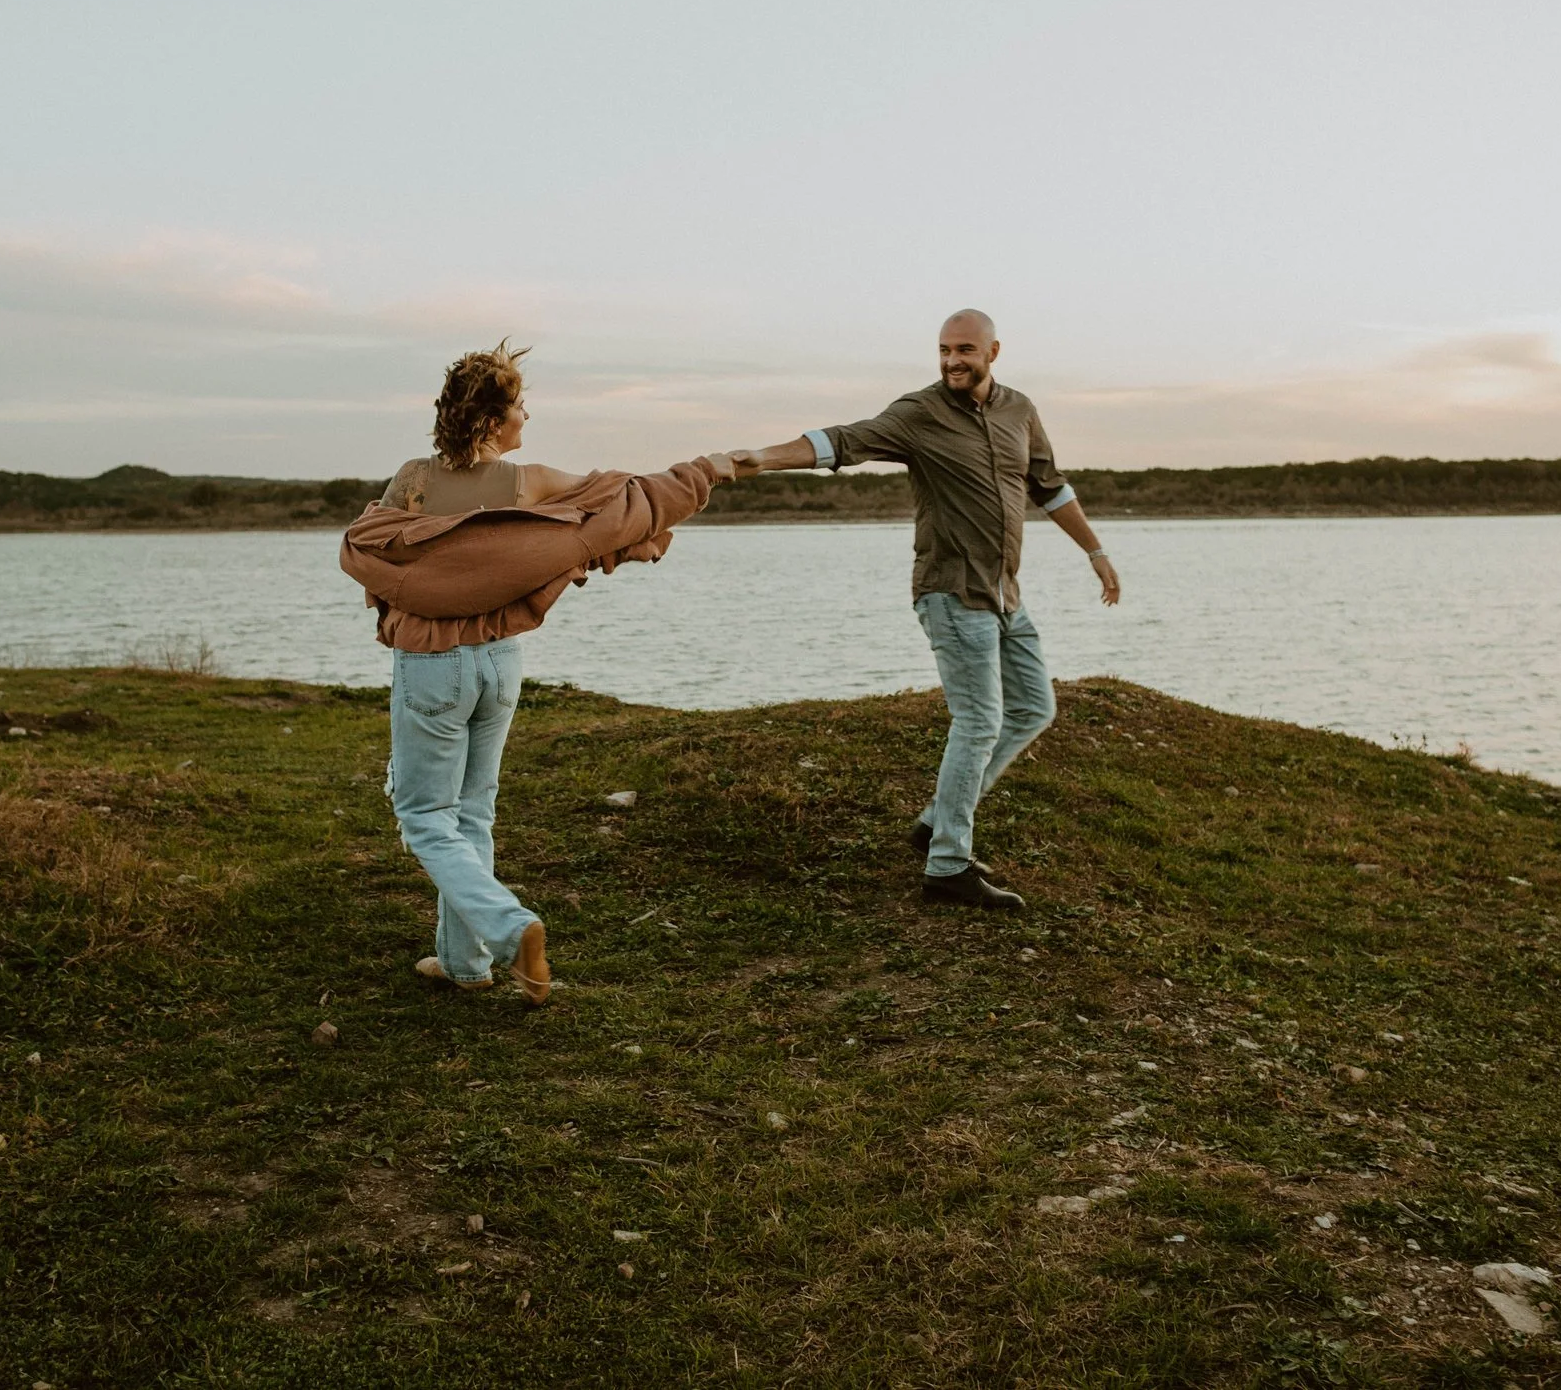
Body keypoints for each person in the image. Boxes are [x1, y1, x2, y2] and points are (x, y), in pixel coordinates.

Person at [342, 342, 749, 1002]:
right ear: (492, 419)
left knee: (423, 814)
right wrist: (697, 475)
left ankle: (510, 926)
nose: (526, 416)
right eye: (519, 406)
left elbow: (384, 559)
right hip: (500, 662)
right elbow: (618, 494)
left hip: (432, 665)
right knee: (470, 809)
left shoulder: (411, 481)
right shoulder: (526, 482)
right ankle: (464, 960)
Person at [734, 310, 1118, 910]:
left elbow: (1050, 486)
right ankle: (947, 866)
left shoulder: (1019, 410)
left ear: (994, 350)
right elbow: (846, 440)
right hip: (950, 591)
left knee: (1034, 708)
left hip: (1004, 594)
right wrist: (763, 456)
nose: (951, 361)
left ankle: (938, 819)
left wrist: (1094, 550)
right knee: (979, 721)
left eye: (964, 349)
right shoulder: (919, 413)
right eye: (943, 350)